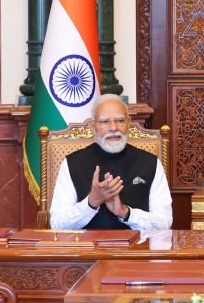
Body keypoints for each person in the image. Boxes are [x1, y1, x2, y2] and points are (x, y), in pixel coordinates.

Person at [49, 94, 172, 230]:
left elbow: (164, 222)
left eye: (120, 120)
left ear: (129, 123)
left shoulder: (150, 163)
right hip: (88, 243)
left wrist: (125, 213)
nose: (113, 127)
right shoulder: (72, 163)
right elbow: (57, 223)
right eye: (104, 121)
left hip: (137, 243)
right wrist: (91, 203)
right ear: (92, 126)